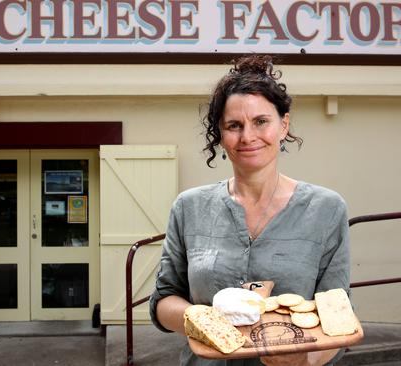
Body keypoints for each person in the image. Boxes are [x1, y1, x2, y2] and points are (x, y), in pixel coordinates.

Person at [149, 54, 351, 366]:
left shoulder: (326, 209)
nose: (247, 137)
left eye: (261, 122)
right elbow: (163, 300)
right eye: (234, 125)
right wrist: (200, 317)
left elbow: (337, 312)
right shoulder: (190, 207)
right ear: (220, 134)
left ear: (283, 125)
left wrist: (306, 361)